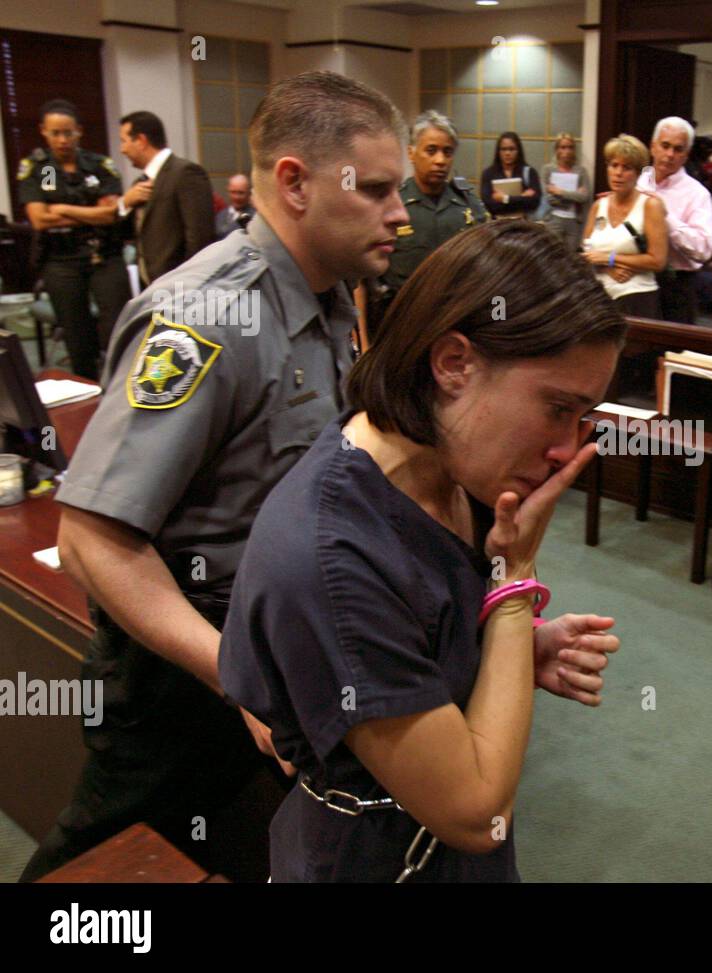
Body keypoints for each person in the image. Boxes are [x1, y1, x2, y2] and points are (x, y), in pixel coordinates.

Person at [18, 70, 410, 884]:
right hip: (186, 675)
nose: (400, 214)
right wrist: (239, 673)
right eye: (376, 190)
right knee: (100, 860)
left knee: (237, 843)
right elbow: (91, 540)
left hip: (276, 653)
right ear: (296, 184)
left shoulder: (333, 296)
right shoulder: (203, 317)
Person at [218, 220, 624, 882]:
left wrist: (507, 650)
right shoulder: (333, 552)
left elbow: (428, 623)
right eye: (557, 408)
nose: (567, 447)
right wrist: (516, 580)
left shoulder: (450, 469)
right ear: (454, 363)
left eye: (585, 416)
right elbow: (474, 810)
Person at [16, 99, 132, 380]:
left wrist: (63, 209)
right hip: (61, 261)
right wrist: (90, 213)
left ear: (79, 131)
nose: (62, 139)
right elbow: (40, 219)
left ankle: (124, 383)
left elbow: (110, 215)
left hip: (104, 254)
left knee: (119, 324)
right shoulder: (41, 168)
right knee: (76, 332)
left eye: (68, 132)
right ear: (44, 131)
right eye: (55, 133)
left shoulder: (98, 165)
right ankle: (87, 388)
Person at [356, 110, 488, 344]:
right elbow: (362, 282)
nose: (440, 160)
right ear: (411, 153)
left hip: (454, 327)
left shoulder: (469, 207)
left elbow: (488, 274)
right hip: (399, 330)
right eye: (431, 150)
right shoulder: (390, 205)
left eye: (447, 152)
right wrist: (365, 345)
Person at [116, 111, 216, 285]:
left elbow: (200, 237)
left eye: (124, 141)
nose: (122, 149)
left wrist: (188, 284)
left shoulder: (185, 173)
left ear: (141, 141)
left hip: (180, 287)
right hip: (150, 288)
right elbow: (127, 234)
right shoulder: (138, 183)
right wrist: (125, 203)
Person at [635, 116, 712, 323]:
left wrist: (663, 216)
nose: (670, 154)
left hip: (676, 287)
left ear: (686, 155)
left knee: (672, 353)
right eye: (665, 146)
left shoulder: (697, 194)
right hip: (636, 281)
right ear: (653, 147)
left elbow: (703, 249)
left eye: (678, 149)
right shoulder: (637, 182)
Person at [583, 134, 668, 318]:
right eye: (614, 165)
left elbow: (658, 260)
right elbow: (587, 254)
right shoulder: (598, 205)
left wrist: (610, 257)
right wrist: (607, 267)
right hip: (599, 296)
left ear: (638, 173)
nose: (618, 173)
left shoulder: (650, 206)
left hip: (636, 295)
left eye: (626, 167)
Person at [539, 132, 591, 252]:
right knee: (552, 256)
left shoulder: (581, 171)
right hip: (553, 218)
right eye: (563, 147)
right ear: (556, 149)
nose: (567, 151)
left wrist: (558, 191)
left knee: (571, 258)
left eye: (570, 147)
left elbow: (584, 197)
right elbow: (548, 199)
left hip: (574, 221)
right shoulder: (547, 170)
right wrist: (573, 195)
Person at [481, 132, 541, 220]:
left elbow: (534, 203)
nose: (507, 153)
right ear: (498, 151)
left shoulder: (529, 172)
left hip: (522, 224)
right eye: (504, 149)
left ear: (518, 150)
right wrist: (522, 197)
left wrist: (505, 198)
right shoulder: (488, 173)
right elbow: (489, 205)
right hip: (497, 224)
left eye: (512, 149)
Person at [215, 173, 256, 239]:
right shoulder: (220, 215)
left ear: (249, 193)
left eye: (241, 193)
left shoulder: (255, 217)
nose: (236, 197)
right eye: (233, 192)